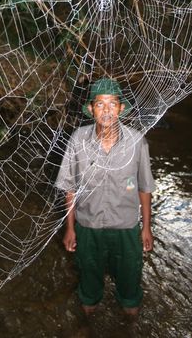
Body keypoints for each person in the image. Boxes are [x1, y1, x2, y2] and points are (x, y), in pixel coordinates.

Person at [55, 78, 155, 318]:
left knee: (130, 292)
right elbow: (69, 188)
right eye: (100, 104)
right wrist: (70, 228)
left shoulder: (137, 142)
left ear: (121, 108)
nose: (107, 110)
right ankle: (86, 325)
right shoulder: (77, 140)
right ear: (91, 109)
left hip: (126, 228)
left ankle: (130, 325)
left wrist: (146, 227)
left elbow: (145, 186)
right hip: (88, 227)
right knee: (88, 291)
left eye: (113, 104)